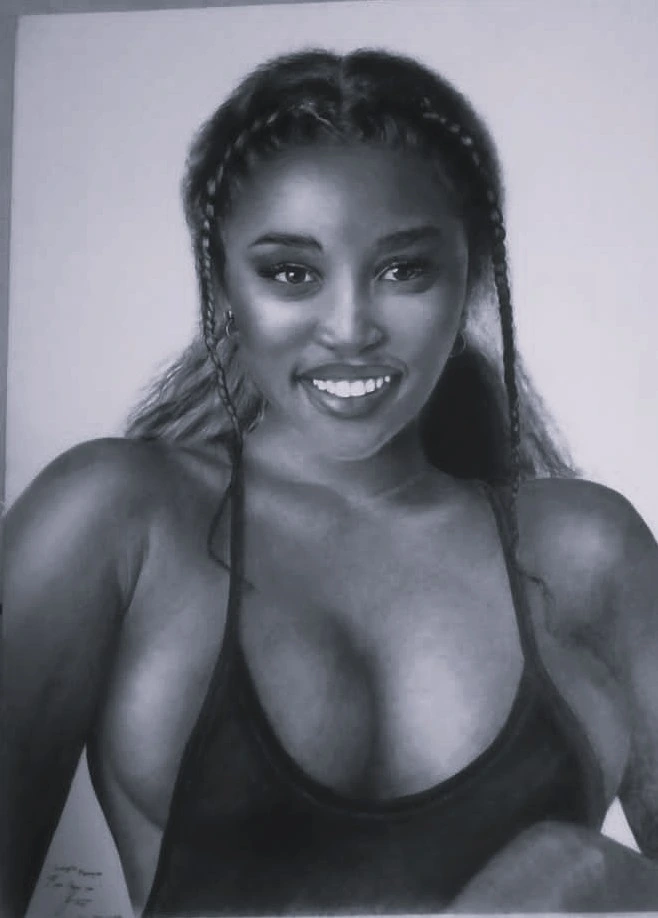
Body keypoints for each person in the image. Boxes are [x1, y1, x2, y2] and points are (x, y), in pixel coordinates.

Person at [4, 47, 658, 918]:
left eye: (403, 270)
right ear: (223, 286)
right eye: (291, 273)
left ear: (469, 278)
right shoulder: (117, 521)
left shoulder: (586, 553)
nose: (349, 328)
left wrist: (592, 873)